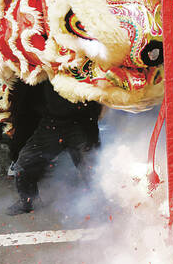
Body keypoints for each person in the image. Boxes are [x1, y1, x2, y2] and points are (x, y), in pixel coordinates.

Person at [6, 80, 102, 215]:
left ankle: (100, 203)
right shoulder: (45, 62)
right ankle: (28, 201)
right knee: (24, 163)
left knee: (92, 168)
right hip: (51, 124)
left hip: (81, 124)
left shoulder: (83, 61)